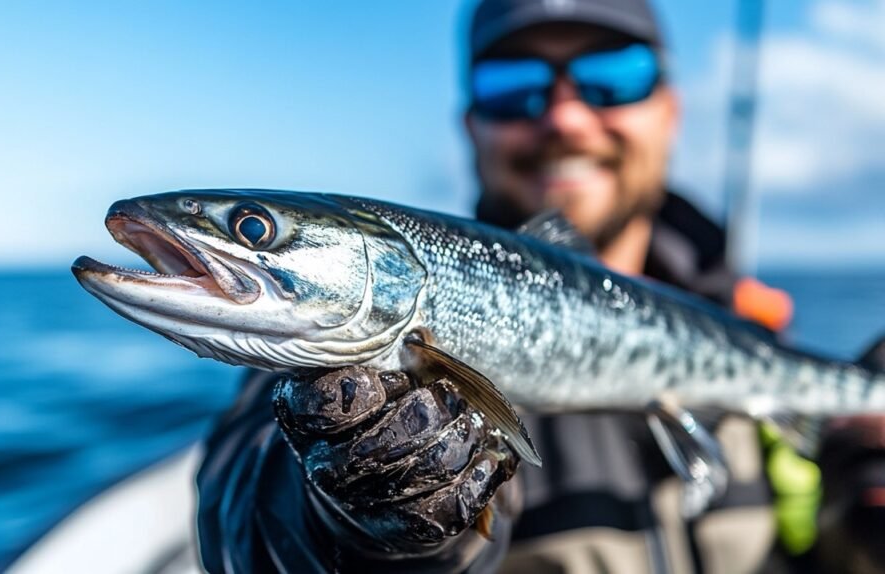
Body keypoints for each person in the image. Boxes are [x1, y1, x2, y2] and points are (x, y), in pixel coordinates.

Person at [194, 1, 879, 572]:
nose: (565, 118)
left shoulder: (749, 321)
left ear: (670, 109)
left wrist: (862, 516)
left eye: (612, 77)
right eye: (513, 85)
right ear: (472, 126)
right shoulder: (312, 358)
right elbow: (241, 519)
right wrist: (349, 518)